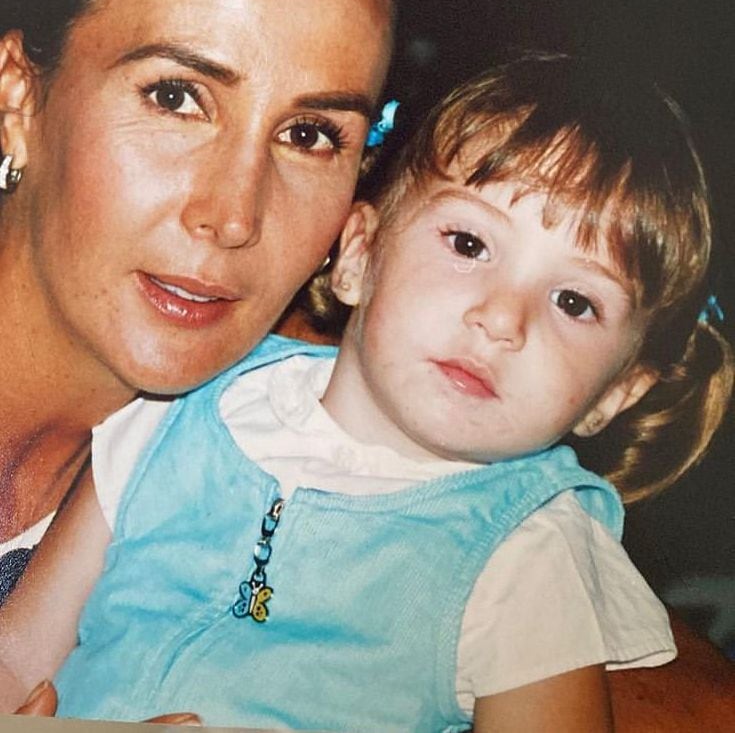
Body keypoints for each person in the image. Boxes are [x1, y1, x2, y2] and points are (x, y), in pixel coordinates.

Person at [1, 55, 731, 732]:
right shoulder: (180, 402)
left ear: (616, 393)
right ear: (357, 253)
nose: (502, 320)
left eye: (574, 301)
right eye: (469, 245)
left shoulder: (529, 553)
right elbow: (16, 655)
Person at [0, 0, 394, 596]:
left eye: (309, 135)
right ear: (18, 97)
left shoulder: (310, 459)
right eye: (176, 97)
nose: (234, 214)